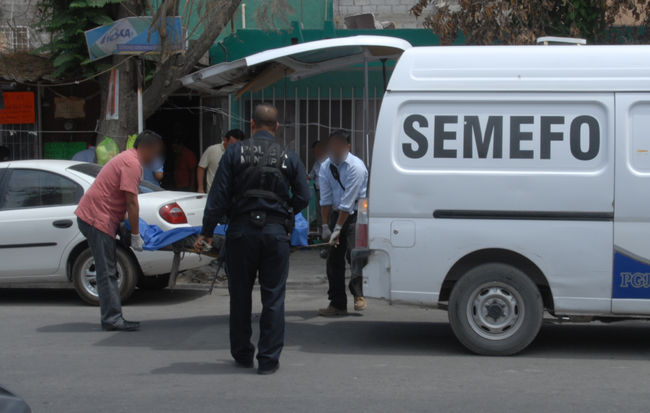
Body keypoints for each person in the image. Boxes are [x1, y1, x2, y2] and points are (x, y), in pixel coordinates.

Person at [195, 103, 310, 375]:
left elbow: (217, 197)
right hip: (275, 234)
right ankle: (268, 360)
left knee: (239, 296)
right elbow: (304, 196)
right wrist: (284, 211)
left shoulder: (234, 153)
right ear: (277, 127)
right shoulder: (289, 156)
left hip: (240, 233)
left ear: (252, 124)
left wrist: (207, 231)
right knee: (273, 298)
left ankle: (242, 354)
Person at [75, 130, 163, 331]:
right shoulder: (131, 164)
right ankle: (112, 319)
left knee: (109, 269)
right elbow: (131, 202)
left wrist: (128, 227)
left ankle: (112, 316)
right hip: (97, 218)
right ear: (146, 148)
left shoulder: (129, 159)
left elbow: (121, 198)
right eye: (155, 153)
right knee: (107, 271)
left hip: (99, 216)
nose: (156, 158)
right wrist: (135, 234)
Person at [318, 130, 369, 317]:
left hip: (356, 215)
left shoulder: (357, 167)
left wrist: (338, 229)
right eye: (333, 146)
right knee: (333, 260)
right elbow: (325, 199)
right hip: (335, 214)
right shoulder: (325, 167)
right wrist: (326, 227)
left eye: (340, 145)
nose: (336, 149)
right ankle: (337, 303)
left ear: (348, 147)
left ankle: (358, 294)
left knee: (355, 255)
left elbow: (348, 203)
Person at [197, 129, 245, 193]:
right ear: (225, 140)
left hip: (232, 194)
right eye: (232, 143)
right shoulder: (212, 150)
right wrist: (200, 188)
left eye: (238, 144)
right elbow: (201, 168)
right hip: (213, 193)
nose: (234, 147)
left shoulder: (242, 153)